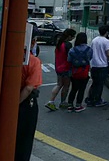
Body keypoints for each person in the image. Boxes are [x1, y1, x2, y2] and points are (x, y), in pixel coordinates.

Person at [16, 31, 42, 161]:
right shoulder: (33, 61)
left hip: (5, 100)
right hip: (25, 104)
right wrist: (17, 104)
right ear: (32, 42)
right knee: (24, 140)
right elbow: (29, 87)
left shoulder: (6, 55)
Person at [45, 28, 77, 111]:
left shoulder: (59, 43)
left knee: (59, 84)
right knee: (66, 86)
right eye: (73, 36)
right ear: (69, 36)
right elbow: (70, 57)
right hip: (66, 67)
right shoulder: (68, 45)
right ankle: (63, 102)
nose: (73, 38)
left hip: (58, 67)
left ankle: (51, 101)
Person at [86, 24, 109, 107]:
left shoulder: (94, 40)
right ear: (107, 32)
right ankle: (97, 100)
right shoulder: (106, 41)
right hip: (102, 65)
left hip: (94, 65)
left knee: (94, 83)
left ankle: (90, 99)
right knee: (100, 84)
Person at [67, 32, 93, 112]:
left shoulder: (72, 50)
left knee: (74, 89)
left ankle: (70, 105)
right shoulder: (89, 49)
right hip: (84, 71)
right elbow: (90, 58)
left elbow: (69, 60)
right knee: (82, 89)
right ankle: (78, 105)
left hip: (74, 72)